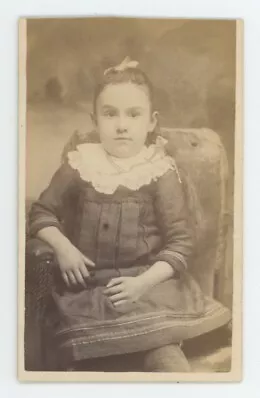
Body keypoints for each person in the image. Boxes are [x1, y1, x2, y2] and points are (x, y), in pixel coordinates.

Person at [29, 57, 230, 372]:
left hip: (147, 291)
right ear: (95, 119)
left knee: (167, 364)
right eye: (110, 114)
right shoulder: (79, 164)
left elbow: (180, 244)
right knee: (83, 362)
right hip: (89, 294)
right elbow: (41, 213)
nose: (121, 125)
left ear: (151, 122)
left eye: (133, 115)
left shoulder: (160, 171)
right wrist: (63, 248)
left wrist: (142, 284)